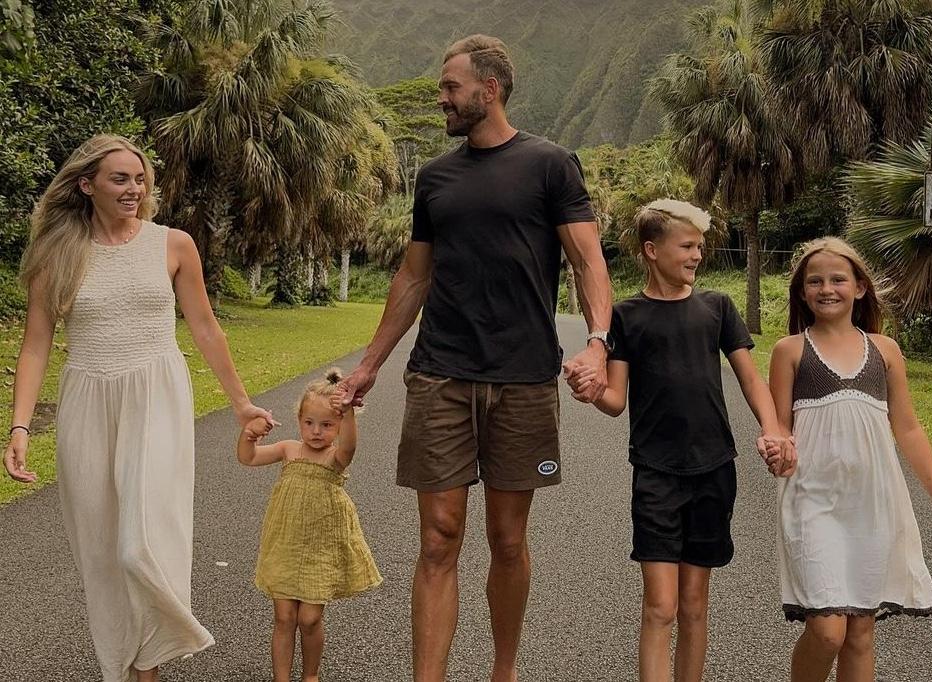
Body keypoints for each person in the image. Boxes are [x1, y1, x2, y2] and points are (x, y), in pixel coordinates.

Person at [333, 34, 613, 682]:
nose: (441, 98)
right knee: (437, 536)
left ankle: (502, 671)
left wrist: (598, 343)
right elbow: (411, 278)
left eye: (449, 87)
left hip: (522, 378)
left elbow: (587, 259)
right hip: (440, 375)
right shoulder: (436, 178)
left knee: (508, 540)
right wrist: (371, 364)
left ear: (488, 90)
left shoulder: (549, 165)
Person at [1, 134, 275, 681]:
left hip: (157, 397)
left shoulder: (173, 244)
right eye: (120, 179)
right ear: (86, 185)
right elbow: (36, 344)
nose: (134, 188)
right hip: (87, 399)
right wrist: (20, 427)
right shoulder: (56, 254)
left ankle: (159, 649)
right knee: (102, 553)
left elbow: (204, 326)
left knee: (139, 545)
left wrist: (241, 403)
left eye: (140, 178)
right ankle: (129, 669)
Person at [563, 199, 795, 682]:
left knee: (693, 604)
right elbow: (615, 399)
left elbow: (751, 380)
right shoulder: (627, 317)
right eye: (687, 245)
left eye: (700, 246)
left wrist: (771, 426)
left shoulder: (717, 307)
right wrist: (590, 390)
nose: (696, 255)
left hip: (714, 469)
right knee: (660, 607)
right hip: (656, 472)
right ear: (652, 250)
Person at [767, 237, 932, 682]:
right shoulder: (790, 351)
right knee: (827, 631)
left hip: (873, 504)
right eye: (814, 281)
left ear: (860, 287)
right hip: (812, 501)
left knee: (860, 631)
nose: (826, 288)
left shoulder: (886, 350)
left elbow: (908, 428)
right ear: (802, 293)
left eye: (838, 279)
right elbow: (779, 425)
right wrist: (777, 447)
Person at [238, 369, 381, 682]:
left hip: (321, 546)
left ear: (339, 425)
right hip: (286, 543)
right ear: (299, 420)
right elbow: (248, 458)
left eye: (327, 424)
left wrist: (350, 413)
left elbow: (349, 448)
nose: (317, 431)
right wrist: (248, 436)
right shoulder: (288, 449)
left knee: (310, 618)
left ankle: (310, 674)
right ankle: (282, 677)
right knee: (284, 616)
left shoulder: (334, 457)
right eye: (309, 423)